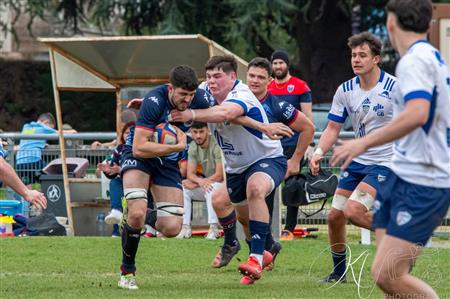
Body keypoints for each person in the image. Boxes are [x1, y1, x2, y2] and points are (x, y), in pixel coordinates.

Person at [331, 1, 450, 297]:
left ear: (391, 24)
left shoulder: (414, 61)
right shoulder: (430, 56)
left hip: (423, 180)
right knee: (391, 280)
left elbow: (418, 112)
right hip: (404, 173)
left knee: (387, 274)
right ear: (427, 25)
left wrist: (363, 142)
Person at [170, 55, 287, 285]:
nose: (211, 81)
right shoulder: (204, 90)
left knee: (255, 189)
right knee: (222, 202)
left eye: (218, 76)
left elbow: (225, 114)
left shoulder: (241, 94)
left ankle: (254, 258)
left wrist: (190, 115)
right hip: (236, 168)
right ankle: (257, 246)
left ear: (232, 77)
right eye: (209, 76)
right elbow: (181, 99)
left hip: (267, 157)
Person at [309, 31, 396, 283]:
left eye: (362, 55)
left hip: (386, 161)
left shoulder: (394, 88)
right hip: (358, 161)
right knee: (335, 216)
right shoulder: (345, 90)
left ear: (376, 59)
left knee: (355, 211)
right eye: (353, 55)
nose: (356, 59)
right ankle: (339, 273)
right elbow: (333, 128)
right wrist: (317, 152)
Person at [117, 65, 211, 290]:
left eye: (190, 95)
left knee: (172, 228)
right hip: (139, 155)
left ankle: (133, 216)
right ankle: (127, 272)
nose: (187, 100)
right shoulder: (154, 101)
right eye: (182, 95)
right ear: (171, 88)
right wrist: (178, 145)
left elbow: (226, 111)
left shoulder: (199, 98)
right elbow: (139, 147)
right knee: (137, 212)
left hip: (167, 162)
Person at [268, 49, 315, 240]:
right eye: (275, 63)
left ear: (287, 65)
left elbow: (308, 118)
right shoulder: (268, 87)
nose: (278, 66)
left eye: (281, 63)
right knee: (269, 185)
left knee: (292, 186)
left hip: (295, 143)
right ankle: (268, 224)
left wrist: (310, 145)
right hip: (274, 143)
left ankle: (289, 228)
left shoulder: (300, 86)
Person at [177, 122, 222, 240]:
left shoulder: (216, 144)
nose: (198, 136)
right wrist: (200, 182)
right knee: (185, 189)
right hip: (208, 184)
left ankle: (213, 228)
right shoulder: (193, 145)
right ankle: (185, 228)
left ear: (207, 130)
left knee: (210, 188)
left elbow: (220, 175)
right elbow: (190, 174)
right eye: (195, 132)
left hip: (225, 186)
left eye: (201, 131)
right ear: (191, 132)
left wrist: (201, 182)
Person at [15, 113, 76, 186]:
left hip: (19, 162)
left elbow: (31, 139)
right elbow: (63, 133)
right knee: (52, 175)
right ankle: (48, 195)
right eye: (51, 127)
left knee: (27, 185)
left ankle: (28, 197)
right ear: (46, 122)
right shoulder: (43, 128)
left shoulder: (26, 127)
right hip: (33, 160)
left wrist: (41, 144)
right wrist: (73, 131)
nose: (50, 130)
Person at [97, 121, 134, 237]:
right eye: (126, 133)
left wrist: (120, 170)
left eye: (131, 133)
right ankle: (116, 220)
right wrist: (109, 170)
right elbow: (113, 168)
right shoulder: (120, 148)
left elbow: (139, 168)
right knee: (114, 183)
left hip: (141, 183)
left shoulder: (142, 149)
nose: (128, 135)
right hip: (123, 182)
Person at [0, 143, 47, 210]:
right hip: (31, 160)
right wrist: (26, 192)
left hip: (21, 162)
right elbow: (1, 166)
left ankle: (27, 210)